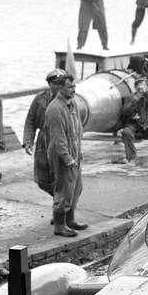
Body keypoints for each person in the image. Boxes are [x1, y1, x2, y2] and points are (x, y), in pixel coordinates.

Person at [43, 71, 86, 237]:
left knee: (76, 188)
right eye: (69, 87)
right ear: (60, 88)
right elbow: (57, 138)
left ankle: (71, 219)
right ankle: (60, 225)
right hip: (62, 156)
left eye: (74, 86)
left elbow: (78, 129)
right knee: (64, 190)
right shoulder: (55, 109)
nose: (73, 90)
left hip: (74, 152)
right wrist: (67, 158)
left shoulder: (72, 104)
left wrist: (78, 151)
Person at [23, 69, 64, 207]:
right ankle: (60, 199)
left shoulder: (68, 99)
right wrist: (28, 141)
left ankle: (60, 207)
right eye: (55, 83)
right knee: (41, 178)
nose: (57, 86)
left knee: (59, 176)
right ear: (49, 83)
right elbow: (30, 120)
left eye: (60, 83)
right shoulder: (39, 99)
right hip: (43, 140)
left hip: (60, 139)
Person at [117, 56, 148, 164]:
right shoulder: (130, 97)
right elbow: (125, 112)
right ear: (135, 88)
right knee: (126, 132)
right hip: (133, 125)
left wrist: (147, 93)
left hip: (147, 125)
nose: (141, 88)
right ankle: (131, 157)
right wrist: (134, 101)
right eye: (139, 86)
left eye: (143, 86)